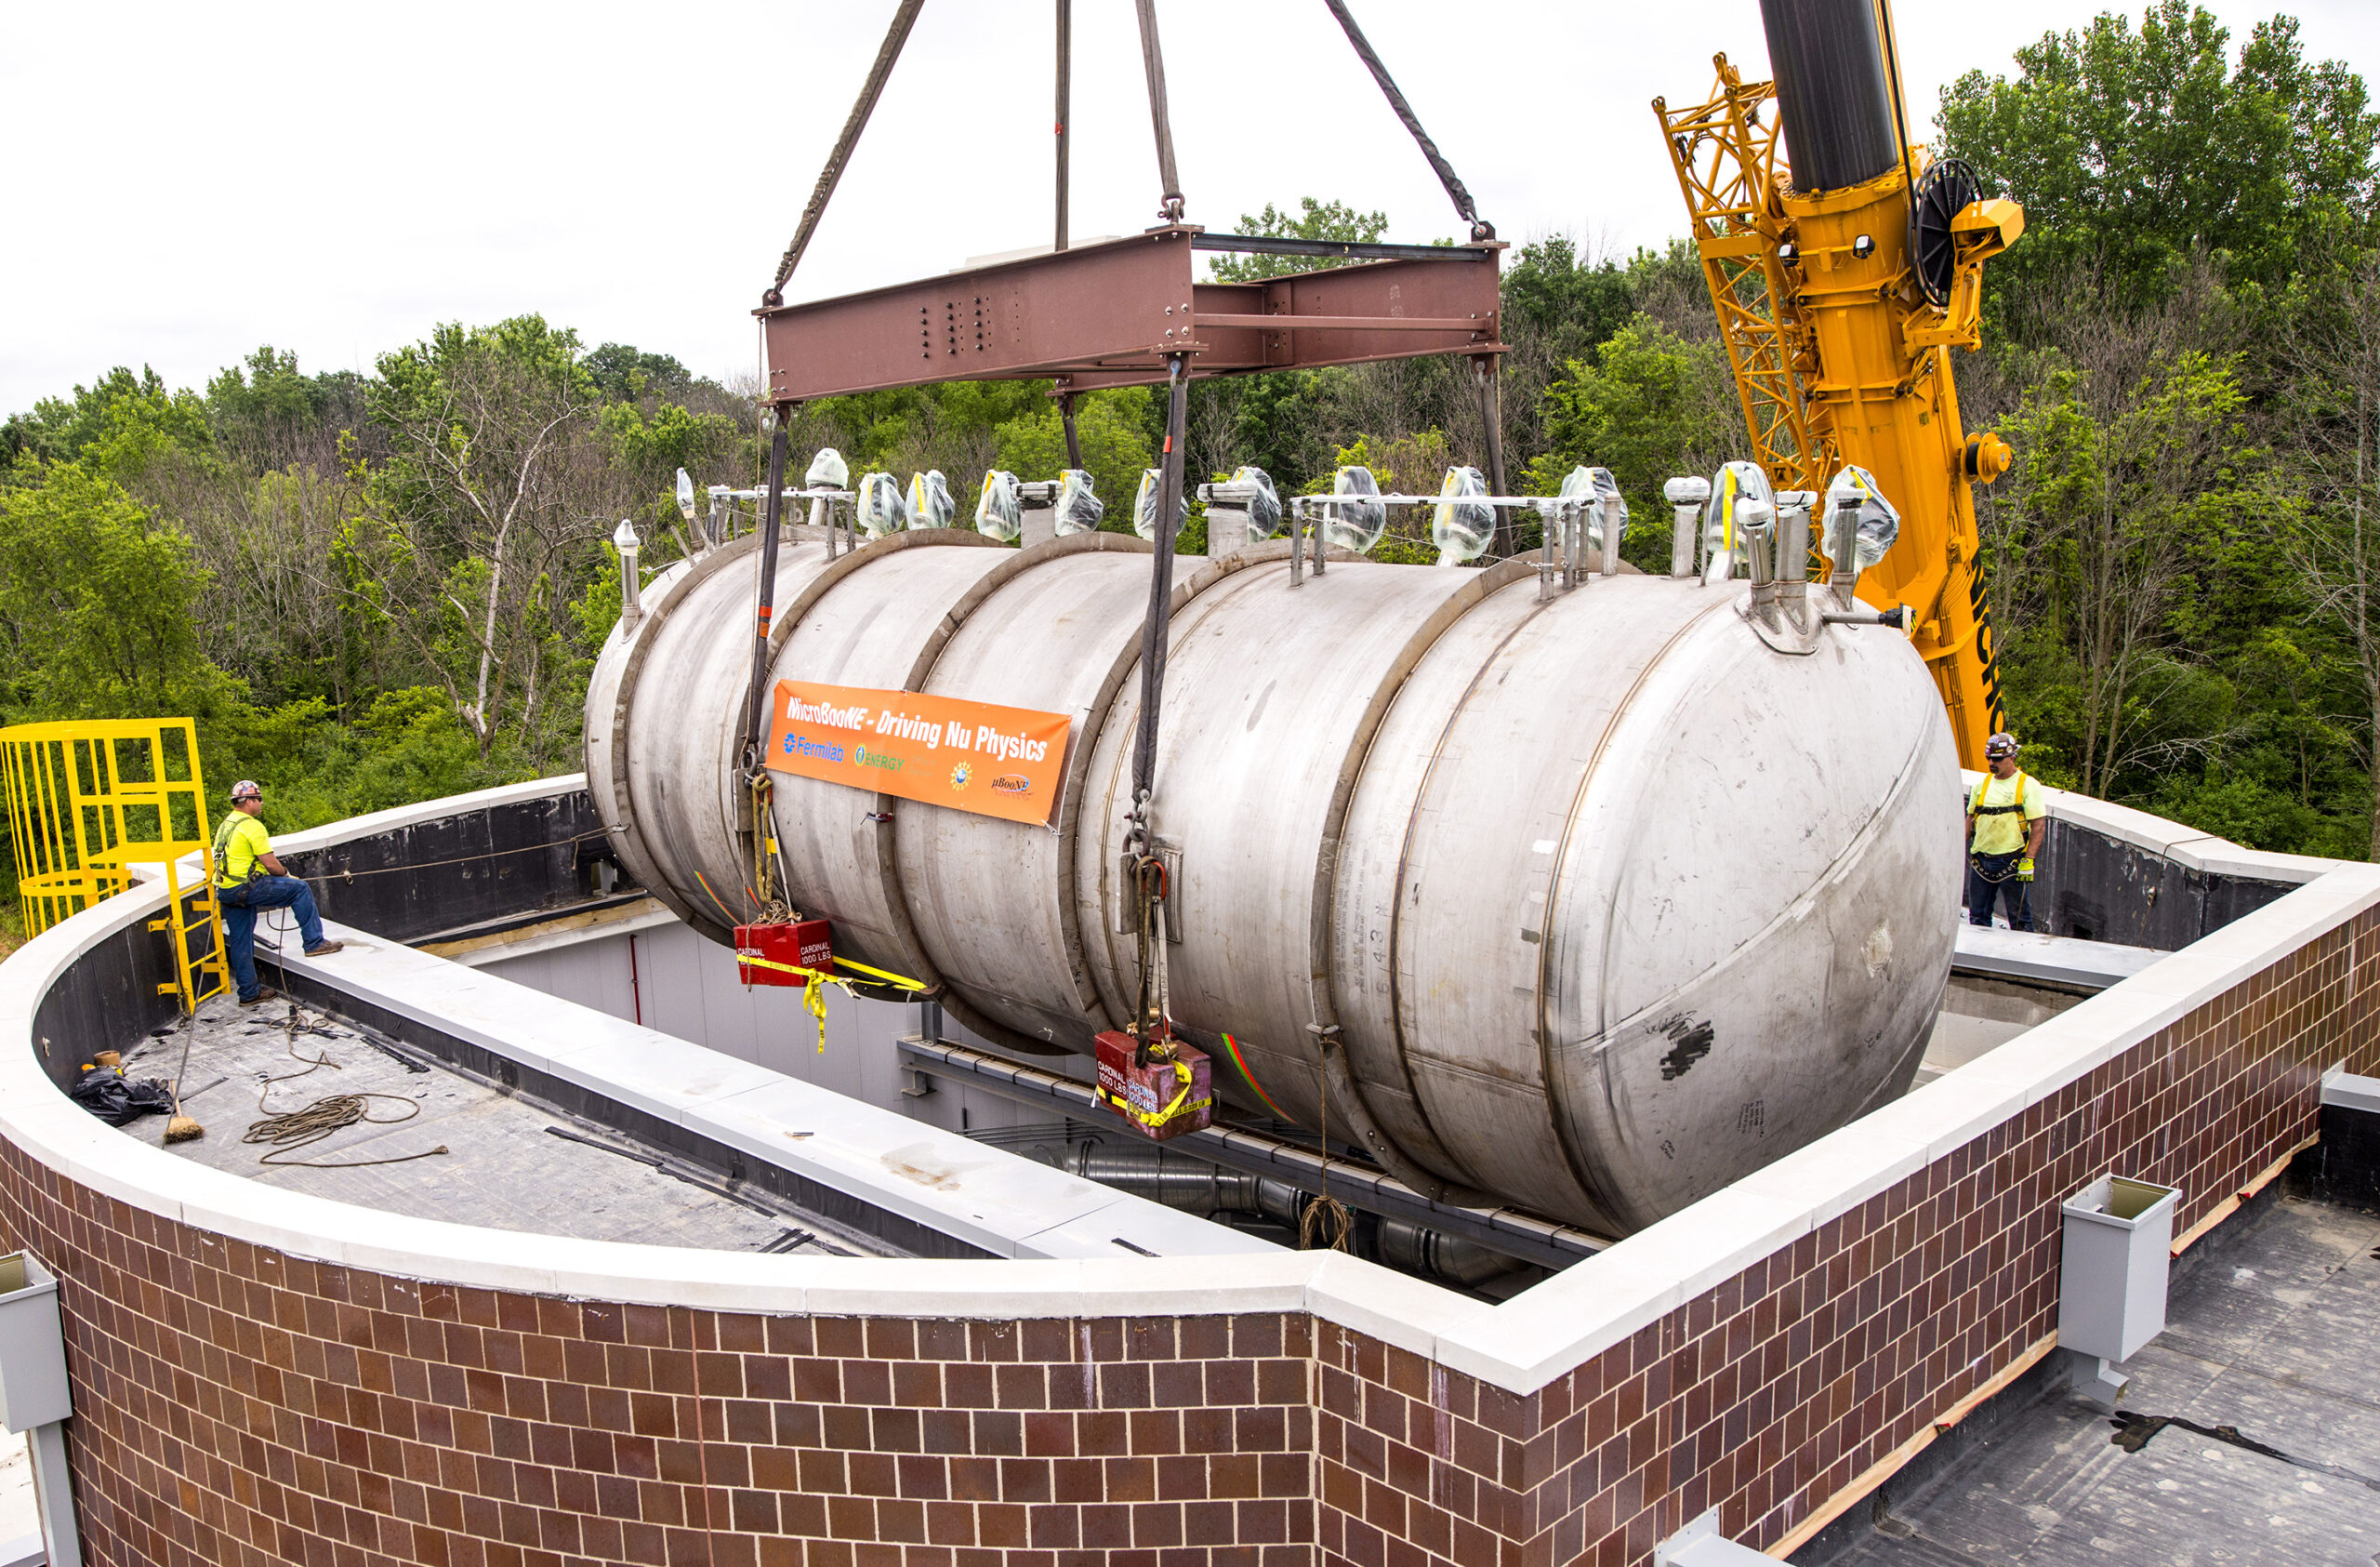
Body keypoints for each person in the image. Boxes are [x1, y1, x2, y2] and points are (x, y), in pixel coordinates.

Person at [212, 779, 342, 1005]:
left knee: (240, 939)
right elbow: (270, 864)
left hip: (226, 890)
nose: (261, 803)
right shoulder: (252, 826)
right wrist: (286, 874)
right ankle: (314, 943)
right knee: (299, 889)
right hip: (246, 888)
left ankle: (249, 993)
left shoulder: (226, 824)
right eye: (259, 799)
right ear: (249, 801)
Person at [1964, 734, 2047, 931]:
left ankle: (2022, 958)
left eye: (1997, 759)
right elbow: (1970, 819)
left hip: (2011, 861)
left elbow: (2038, 824)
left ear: (2012, 758)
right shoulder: (1981, 785)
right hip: (1981, 861)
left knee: (2020, 920)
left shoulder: (2027, 785)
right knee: (1977, 917)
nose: (1992, 763)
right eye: (1989, 759)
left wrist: (2029, 859)